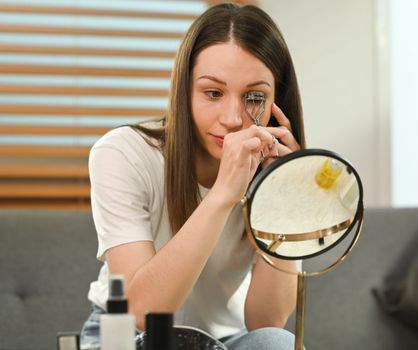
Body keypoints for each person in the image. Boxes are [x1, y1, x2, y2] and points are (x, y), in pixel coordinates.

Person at [80, 3, 305, 349]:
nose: (232, 118)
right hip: (127, 337)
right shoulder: (122, 153)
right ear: (185, 91)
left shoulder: (270, 169)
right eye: (213, 93)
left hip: (223, 339)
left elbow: (266, 321)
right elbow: (142, 311)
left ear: (278, 102)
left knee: (277, 342)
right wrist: (223, 194)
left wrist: (280, 199)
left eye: (255, 97)